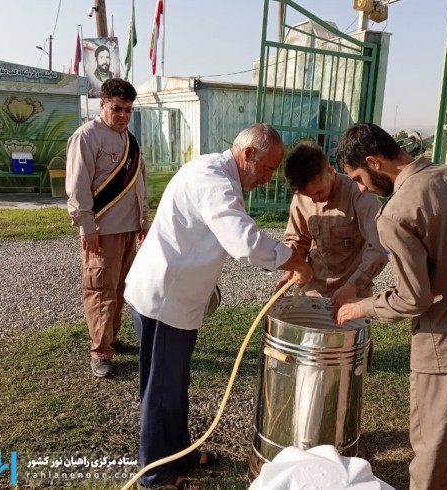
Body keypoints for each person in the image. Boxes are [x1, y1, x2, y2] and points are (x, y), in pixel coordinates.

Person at [124, 123, 314, 490]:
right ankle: (156, 474)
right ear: (247, 154)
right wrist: (295, 260)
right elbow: (243, 241)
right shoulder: (212, 178)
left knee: (174, 382)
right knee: (161, 387)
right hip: (164, 300)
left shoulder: (218, 174)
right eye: (268, 168)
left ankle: (179, 451)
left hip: (175, 299)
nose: (269, 177)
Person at [334, 123, 447, 490]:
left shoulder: (396, 213)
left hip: (446, 350)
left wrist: (363, 307)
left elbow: (414, 298)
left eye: (358, 177)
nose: (360, 188)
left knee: (433, 453)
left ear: (374, 162)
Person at [65, 78, 148, 378]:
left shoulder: (130, 140)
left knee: (121, 288)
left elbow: (139, 183)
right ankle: (100, 351)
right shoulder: (87, 136)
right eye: (117, 109)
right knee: (100, 289)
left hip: (128, 230)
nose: (123, 115)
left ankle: (111, 338)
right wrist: (86, 226)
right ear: (102, 105)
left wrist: (144, 221)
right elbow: (77, 187)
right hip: (101, 230)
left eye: (128, 110)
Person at [275, 142, 388, 306]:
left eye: (318, 192)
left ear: (330, 170)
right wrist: (291, 267)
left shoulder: (359, 193)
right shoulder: (301, 198)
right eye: (308, 196)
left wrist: (354, 285)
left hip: (353, 296)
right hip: (313, 293)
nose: (314, 200)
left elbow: (380, 244)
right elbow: (299, 240)